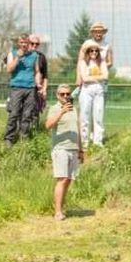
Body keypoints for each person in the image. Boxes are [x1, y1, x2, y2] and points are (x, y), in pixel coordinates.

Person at [45, 84, 84, 221]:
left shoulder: (74, 109)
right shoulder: (54, 109)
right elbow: (48, 125)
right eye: (62, 94)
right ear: (57, 95)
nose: (66, 96)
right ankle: (57, 212)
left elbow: (77, 129)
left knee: (68, 180)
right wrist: (61, 112)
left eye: (68, 94)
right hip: (61, 148)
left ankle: (61, 207)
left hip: (73, 148)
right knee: (61, 179)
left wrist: (81, 149)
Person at [4, 33, 39, 146]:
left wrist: (38, 84)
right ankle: (9, 139)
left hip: (30, 88)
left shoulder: (34, 55)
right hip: (17, 88)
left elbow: (37, 71)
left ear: (29, 43)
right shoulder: (12, 53)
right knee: (14, 113)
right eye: (21, 42)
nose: (24, 44)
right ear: (18, 43)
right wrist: (18, 57)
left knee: (27, 115)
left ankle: (24, 139)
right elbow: (9, 69)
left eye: (26, 42)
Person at [76, 39, 108, 147]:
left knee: (99, 116)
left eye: (96, 51)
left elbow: (106, 76)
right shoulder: (83, 62)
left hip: (99, 91)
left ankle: (98, 141)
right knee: (84, 116)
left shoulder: (102, 62)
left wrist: (91, 78)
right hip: (86, 91)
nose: (94, 52)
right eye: (91, 50)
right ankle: (84, 142)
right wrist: (98, 78)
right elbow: (84, 79)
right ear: (88, 52)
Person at [28, 33, 49, 128]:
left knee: (35, 111)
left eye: (37, 44)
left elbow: (45, 75)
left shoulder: (41, 57)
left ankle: (34, 131)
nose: (34, 45)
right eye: (32, 43)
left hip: (37, 89)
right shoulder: (21, 54)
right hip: (23, 87)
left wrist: (44, 89)